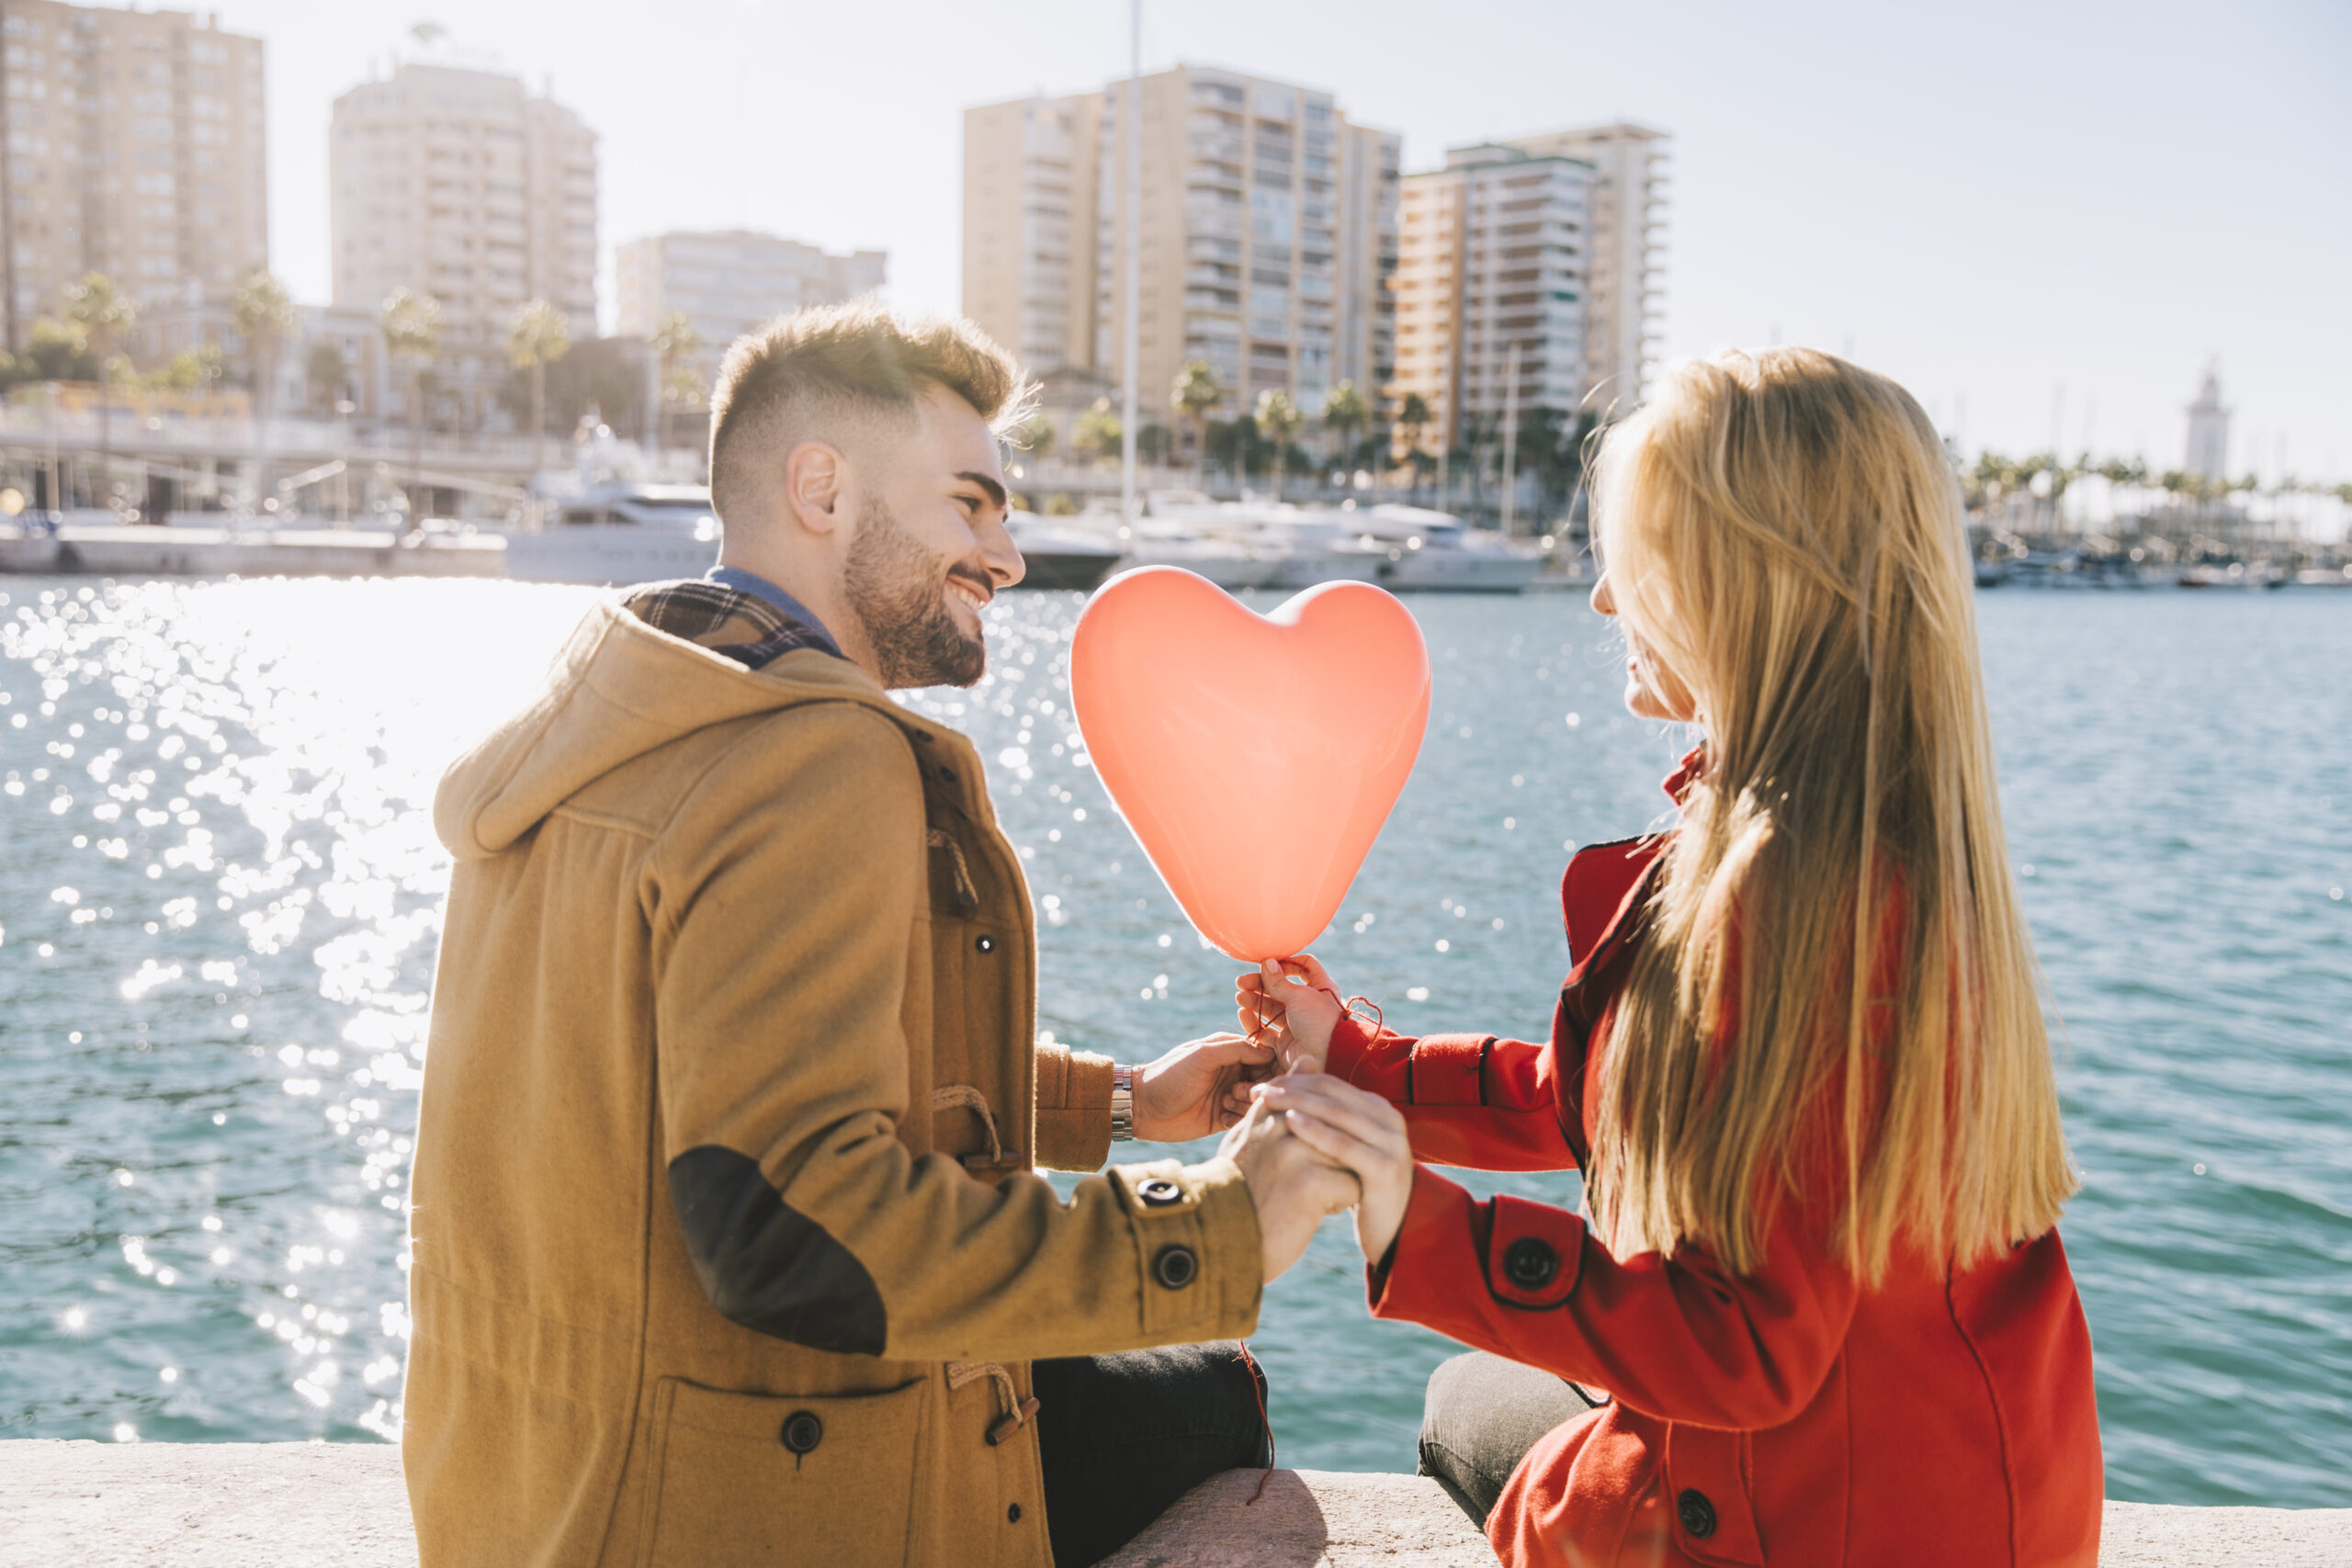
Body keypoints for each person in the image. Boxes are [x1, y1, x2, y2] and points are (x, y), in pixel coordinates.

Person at [402, 302, 1356, 1568]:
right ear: (821, 488)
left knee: (1182, 1406)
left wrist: (1121, 1104)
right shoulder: (817, 757)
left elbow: (714, 1080)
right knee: (1253, 1480)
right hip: (729, 1512)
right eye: (971, 504)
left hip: (536, 1502)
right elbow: (793, 1222)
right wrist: (1218, 1226)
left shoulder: (617, 727)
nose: (1008, 557)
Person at [1238, 348, 2104, 1567]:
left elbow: (1748, 1347)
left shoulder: (1789, 892)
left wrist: (1407, 1219)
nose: (1602, 602)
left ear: (1747, 581)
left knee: (1471, 1414)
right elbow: (1608, 1101)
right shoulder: (1865, 837)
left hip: (1827, 1528)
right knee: (1480, 1407)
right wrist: (1360, 1066)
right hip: (1964, 1483)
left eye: (1628, 558)